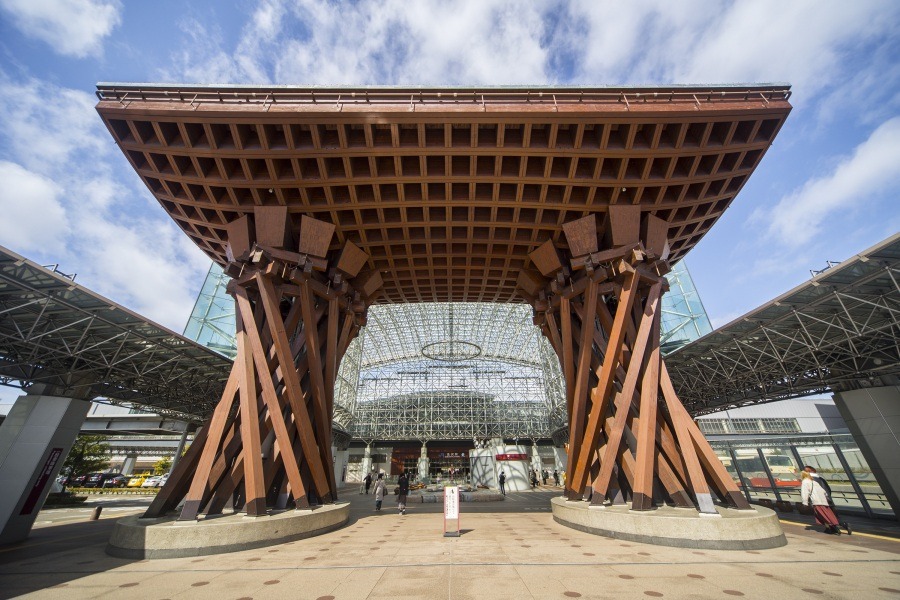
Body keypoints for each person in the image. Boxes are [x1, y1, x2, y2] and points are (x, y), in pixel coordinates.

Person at [804, 466, 850, 534]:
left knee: (824, 515)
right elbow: (828, 489)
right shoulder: (821, 479)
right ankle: (831, 528)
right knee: (831, 514)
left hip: (819, 501)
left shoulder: (809, 480)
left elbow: (806, 491)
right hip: (827, 499)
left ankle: (840, 526)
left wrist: (806, 501)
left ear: (808, 472)